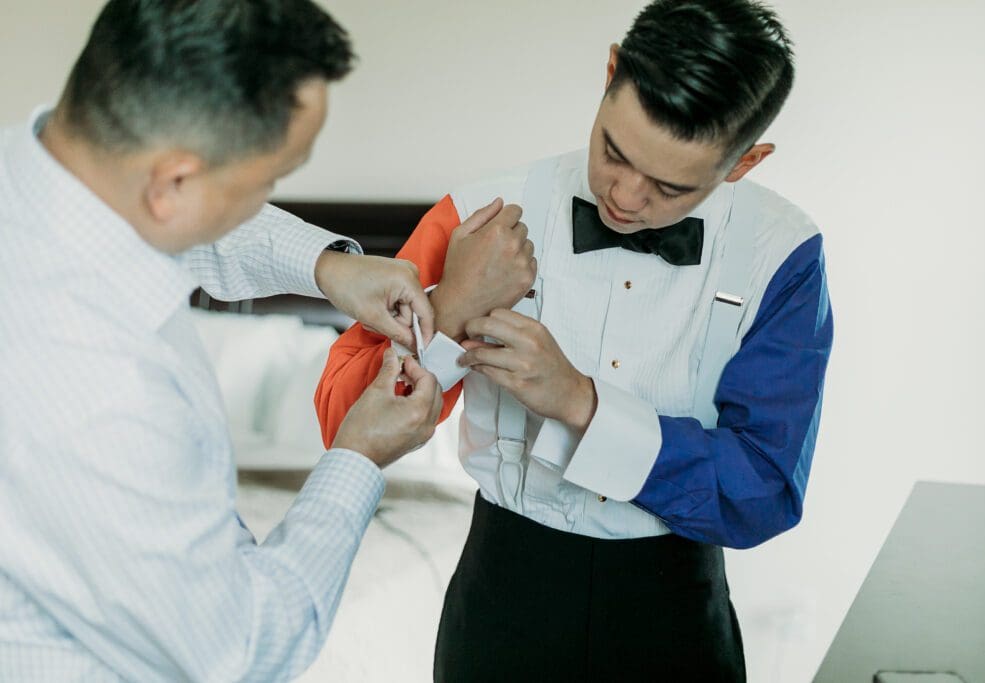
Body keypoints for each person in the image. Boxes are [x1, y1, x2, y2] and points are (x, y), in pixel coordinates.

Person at [0, 0, 520, 680]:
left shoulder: (42, 175)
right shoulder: (96, 387)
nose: (270, 194)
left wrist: (325, 266)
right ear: (175, 182)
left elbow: (149, 221)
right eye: (270, 179)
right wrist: (358, 456)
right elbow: (239, 650)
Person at [315, 0, 834, 680]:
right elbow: (341, 422)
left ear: (745, 162)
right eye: (614, 151)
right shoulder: (478, 212)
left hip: (678, 613)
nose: (623, 196)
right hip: (499, 600)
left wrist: (583, 404)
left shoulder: (784, 255)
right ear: (611, 70)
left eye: (670, 186)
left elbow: (763, 490)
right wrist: (450, 308)